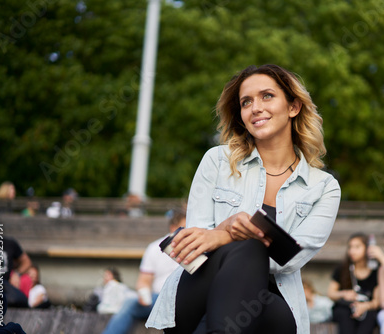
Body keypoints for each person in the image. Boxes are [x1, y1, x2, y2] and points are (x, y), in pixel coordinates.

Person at [145, 64, 341, 334]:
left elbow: (292, 258)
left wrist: (226, 234)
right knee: (251, 247)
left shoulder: (324, 187)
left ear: (293, 107)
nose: (255, 108)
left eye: (267, 96)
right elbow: (195, 246)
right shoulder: (216, 161)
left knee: (252, 249)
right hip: (200, 290)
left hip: (272, 304)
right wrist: (233, 235)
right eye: (246, 102)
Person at [102, 208, 186, 334]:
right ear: (173, 227)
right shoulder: (155, 248)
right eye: (184, 227)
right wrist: (144, 293)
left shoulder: (198, 246)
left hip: (186, 297)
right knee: (130, 303)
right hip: (159, 298)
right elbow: (144, 281)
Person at [327, 233, 380, 334]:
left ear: (367, 248)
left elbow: (377, 301)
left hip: (366, 309)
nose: (352, 251)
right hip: (345, 308)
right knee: (344, 313)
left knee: (370, 315)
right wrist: (344, 294)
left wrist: (365, 306)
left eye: (357, 247)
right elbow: (331, 293)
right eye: (350, 247)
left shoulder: (375, 272)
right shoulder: (343, 268)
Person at [0, 210, 32, 308]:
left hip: (3, 287)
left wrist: (17, 273)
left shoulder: (9, 243)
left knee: (20, 300)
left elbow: (27, 262)